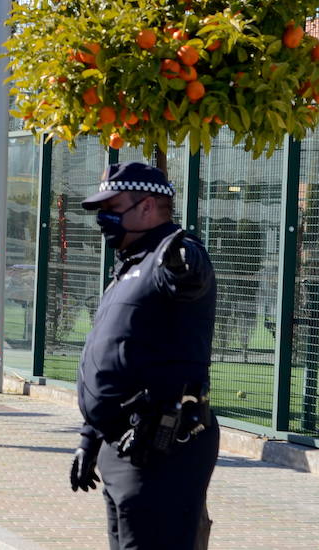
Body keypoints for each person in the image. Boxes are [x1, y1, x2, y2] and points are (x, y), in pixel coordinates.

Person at [69, 161, 217, 550]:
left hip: (161, 450)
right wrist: (90, 438)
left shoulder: (174, 254)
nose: (104, 218)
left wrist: (183, 266)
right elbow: (116, 357)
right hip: (122, 447)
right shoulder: (131, 264)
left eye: (113, 209)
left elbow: (189, 274)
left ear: (148, 207)